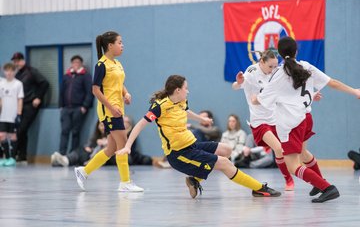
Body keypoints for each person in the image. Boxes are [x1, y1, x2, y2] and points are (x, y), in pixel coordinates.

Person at [116, 75, 281, 199]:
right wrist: (128, 146)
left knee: (227, 150)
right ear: (178, 90)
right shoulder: (160, 107)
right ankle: (259, 188)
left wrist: (201, 119)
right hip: (178, 154)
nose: (188, 90)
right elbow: (140, 124)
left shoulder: (181, 101)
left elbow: (185, 111)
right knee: (224, 163)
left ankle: (195, 180)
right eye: (186, 88)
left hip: (192, 145)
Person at [252, 36, 360, 203]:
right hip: (305, 118)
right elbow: (333, 83)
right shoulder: (306, 67)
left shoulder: (279, 75)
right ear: (296, 51)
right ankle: (319, 183)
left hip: (290, 124)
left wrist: (254, 98)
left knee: (293, 166)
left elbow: (261, 99)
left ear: (279, 54)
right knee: (303, 153)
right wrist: (354, 91)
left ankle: (327, 187)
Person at [74, 31, 143, 192]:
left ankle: (83, 171)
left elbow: (119, 84)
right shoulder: (101, 65)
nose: (122, 45)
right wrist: (111, 107)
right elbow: (95, 90)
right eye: (119, 42)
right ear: (110, 45)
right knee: (123, 145)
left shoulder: (117, 64)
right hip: (109, 111)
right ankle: (125, 183)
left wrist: (126, 93)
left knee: (111, 149)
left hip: (118, 109)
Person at [232, 49, 295, 191]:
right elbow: (235, 86)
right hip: (260, 121)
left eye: (275, 66)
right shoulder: (252, 71)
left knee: (290, 150)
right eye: (270, 66)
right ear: (261, 62)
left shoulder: (276, 73)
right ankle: (288, 180)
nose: (273, 69)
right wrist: (238, 82)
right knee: (278, 148)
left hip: (276, 118)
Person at [12, 52, 49, 162]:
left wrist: (38, 97)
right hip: (21, 105)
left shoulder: (32, 72)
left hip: (30, 105)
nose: (16, 63)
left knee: (22, 129)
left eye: (17, 61)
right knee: (21, 130)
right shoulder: (18, 74)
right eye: (14, 61)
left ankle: (15, 154)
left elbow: (44, 83)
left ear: (23, 60)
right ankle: (22, 156)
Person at [58, 55, 93, 155]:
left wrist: (85, 106)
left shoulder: (86, 76)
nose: (76, 64)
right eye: (74, 62)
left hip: (78, 108)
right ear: (71, 64)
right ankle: (62, 153)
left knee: (75, 132)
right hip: (66, 108)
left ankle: (72, 154)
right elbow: (61, 91)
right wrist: (61, 106)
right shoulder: (67, 76)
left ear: (81, 64)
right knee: (64, 130)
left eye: (78, 62)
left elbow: (89, 92)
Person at [51, 121, 115, 167]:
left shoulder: (111, 135)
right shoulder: (96, 135)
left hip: (103, 157)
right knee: (80, 150)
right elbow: (89, 144)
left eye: (104, 125)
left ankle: (64, 160)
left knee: (82, 154)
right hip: (91, 153)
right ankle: (63, 160)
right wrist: (88, 147)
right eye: (101, 125)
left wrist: (105, 142)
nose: (102, 128)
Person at [0, 63, 24, 166]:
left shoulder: (18, 84)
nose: (9, 73)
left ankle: (13, 158)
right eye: (7, 70)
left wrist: (19, 114)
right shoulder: (1, 83)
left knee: (13, 136)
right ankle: (6, 157)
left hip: (13, 115)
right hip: (3, 115)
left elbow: (20, 100)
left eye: (11, 70)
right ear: (4, 71)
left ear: (15, 72)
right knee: (2, 136)